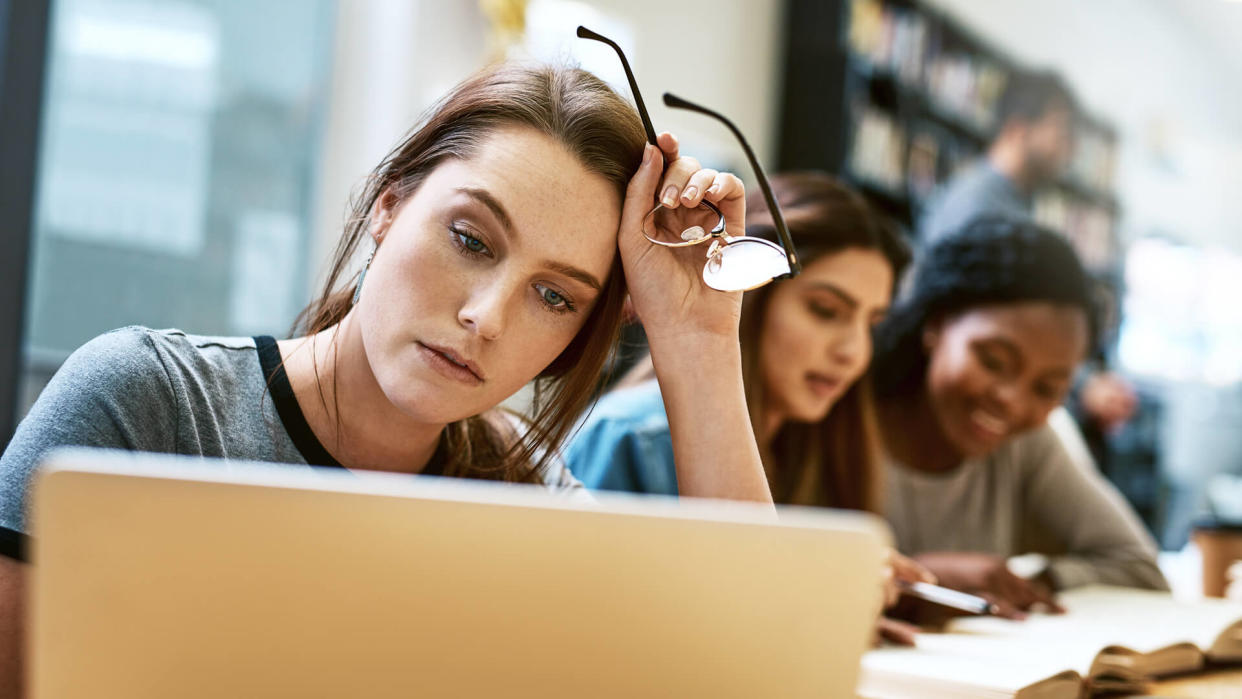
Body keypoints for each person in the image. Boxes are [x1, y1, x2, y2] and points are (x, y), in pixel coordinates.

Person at [0, 63, 774, 697]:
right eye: (471, 239)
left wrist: (699, 340)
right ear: (389, 204)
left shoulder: (524, 494)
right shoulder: (148, 403)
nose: (487, 315)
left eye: (554, 296)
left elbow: (752, 667)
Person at [567, 172, 933, 643]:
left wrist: (824, 611)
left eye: (871, 323)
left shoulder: (813, 443)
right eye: (825, 311)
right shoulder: (629, 438)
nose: (853, 352)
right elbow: (597, 635)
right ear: (749, 291)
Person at [872, 217, 1167, 621]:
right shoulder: (837, 414)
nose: (1011, 401)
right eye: (993, 361)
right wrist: (918, 581)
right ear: (936, 326)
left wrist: (1030, 581)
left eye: (1046, 389)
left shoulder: (1027, 443)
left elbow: (1139, 566)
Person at [920, 67, 1138, 453]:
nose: (1068, 151)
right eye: (1062, 133)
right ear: (1019, 128)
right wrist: (1083, 387)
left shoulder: (1008, 205)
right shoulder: (979, 208)